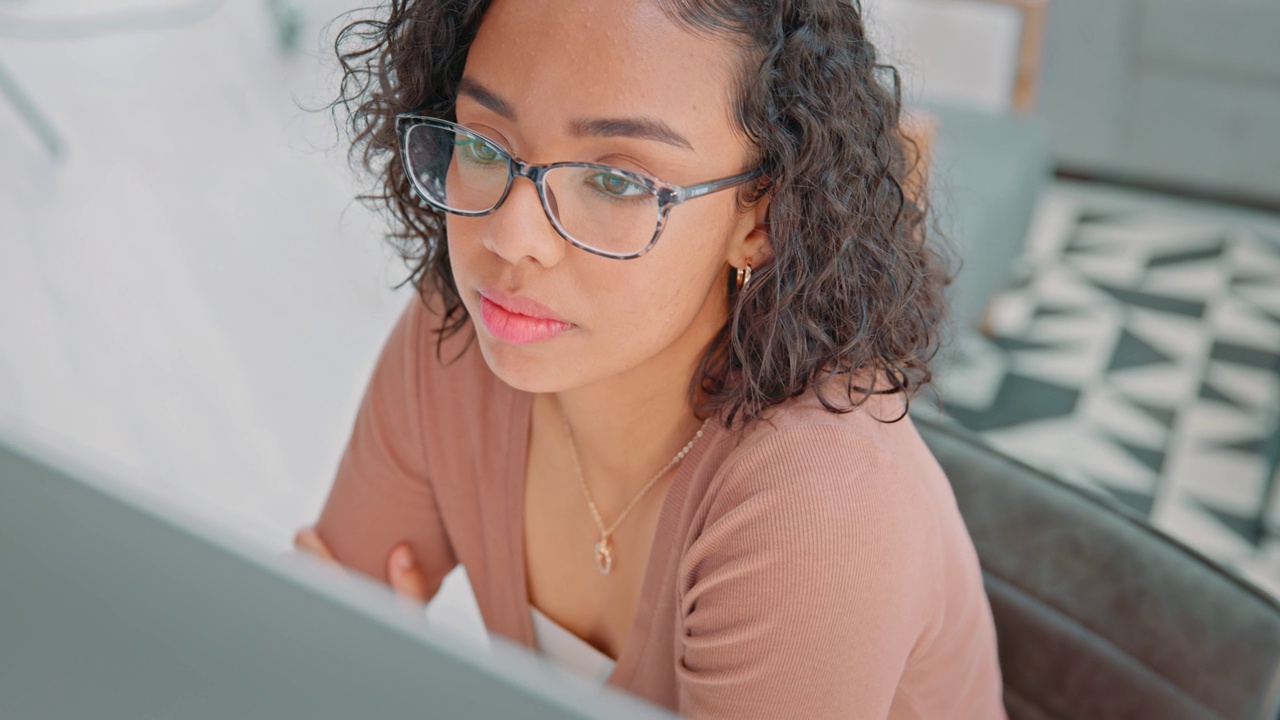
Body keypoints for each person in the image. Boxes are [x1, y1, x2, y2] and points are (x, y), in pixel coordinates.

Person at [294, 0, 1008, 717]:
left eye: (616, 182)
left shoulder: (820, 507)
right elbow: (303, 657)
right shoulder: (460, 335)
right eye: (483, 145)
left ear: (761, 219)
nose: (511, 239)